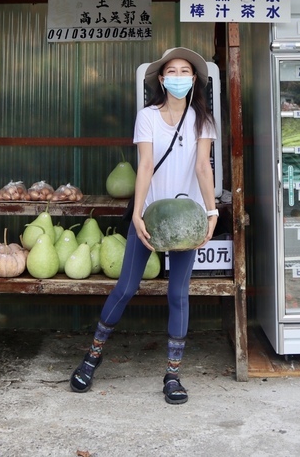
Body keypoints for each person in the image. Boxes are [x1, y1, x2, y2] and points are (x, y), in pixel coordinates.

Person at [69, 47, 219, 404]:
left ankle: (173, 375)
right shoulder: (148, 117)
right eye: (172, 71)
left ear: (194, 79)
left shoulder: (204, 120)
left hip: (187, 220)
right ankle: (92, 357)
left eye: (186, 71)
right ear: (162, 80)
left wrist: (211, 214)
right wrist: (137, 213)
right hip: (151, 217)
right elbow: (146, 164)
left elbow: (203, 167)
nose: (179, 76)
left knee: (178, 294)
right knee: (125, 287)